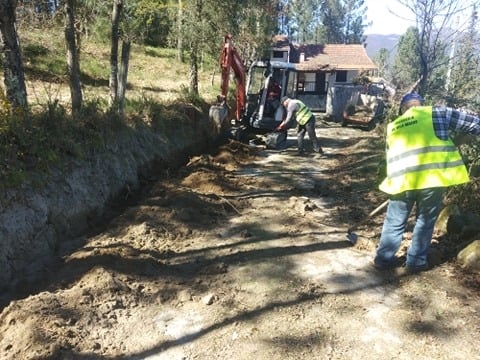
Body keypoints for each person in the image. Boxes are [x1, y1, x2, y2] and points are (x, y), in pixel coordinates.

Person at [374, 92, 480, 274]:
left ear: (403, 108)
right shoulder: (437, 113)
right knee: (424, 222)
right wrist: (458, 140)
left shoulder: (394, 126)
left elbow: (391, 157)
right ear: (422, 104)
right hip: (431, 179)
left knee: (394, 221)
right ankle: (415, 262)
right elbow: (476, 123)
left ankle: (383, 259)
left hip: (402, 181)